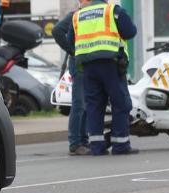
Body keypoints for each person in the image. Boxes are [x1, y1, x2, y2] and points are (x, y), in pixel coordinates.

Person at [67, 0, 138, 156]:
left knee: (94, 106)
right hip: (110, 64)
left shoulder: (78, 16)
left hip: (88, 68)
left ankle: (97, 147)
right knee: (120, 103)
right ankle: (121, 145)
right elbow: (130, 31)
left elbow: (70, 41)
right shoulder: (112, 11)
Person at [53, 5, 90, 156]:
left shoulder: (91, 13)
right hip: (79, 63)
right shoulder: (77, 14)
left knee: (86, 103)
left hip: (88, 63)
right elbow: (56, 31)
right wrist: (72, 50)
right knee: (79, 103)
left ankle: (83, 141)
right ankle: (75, 143)